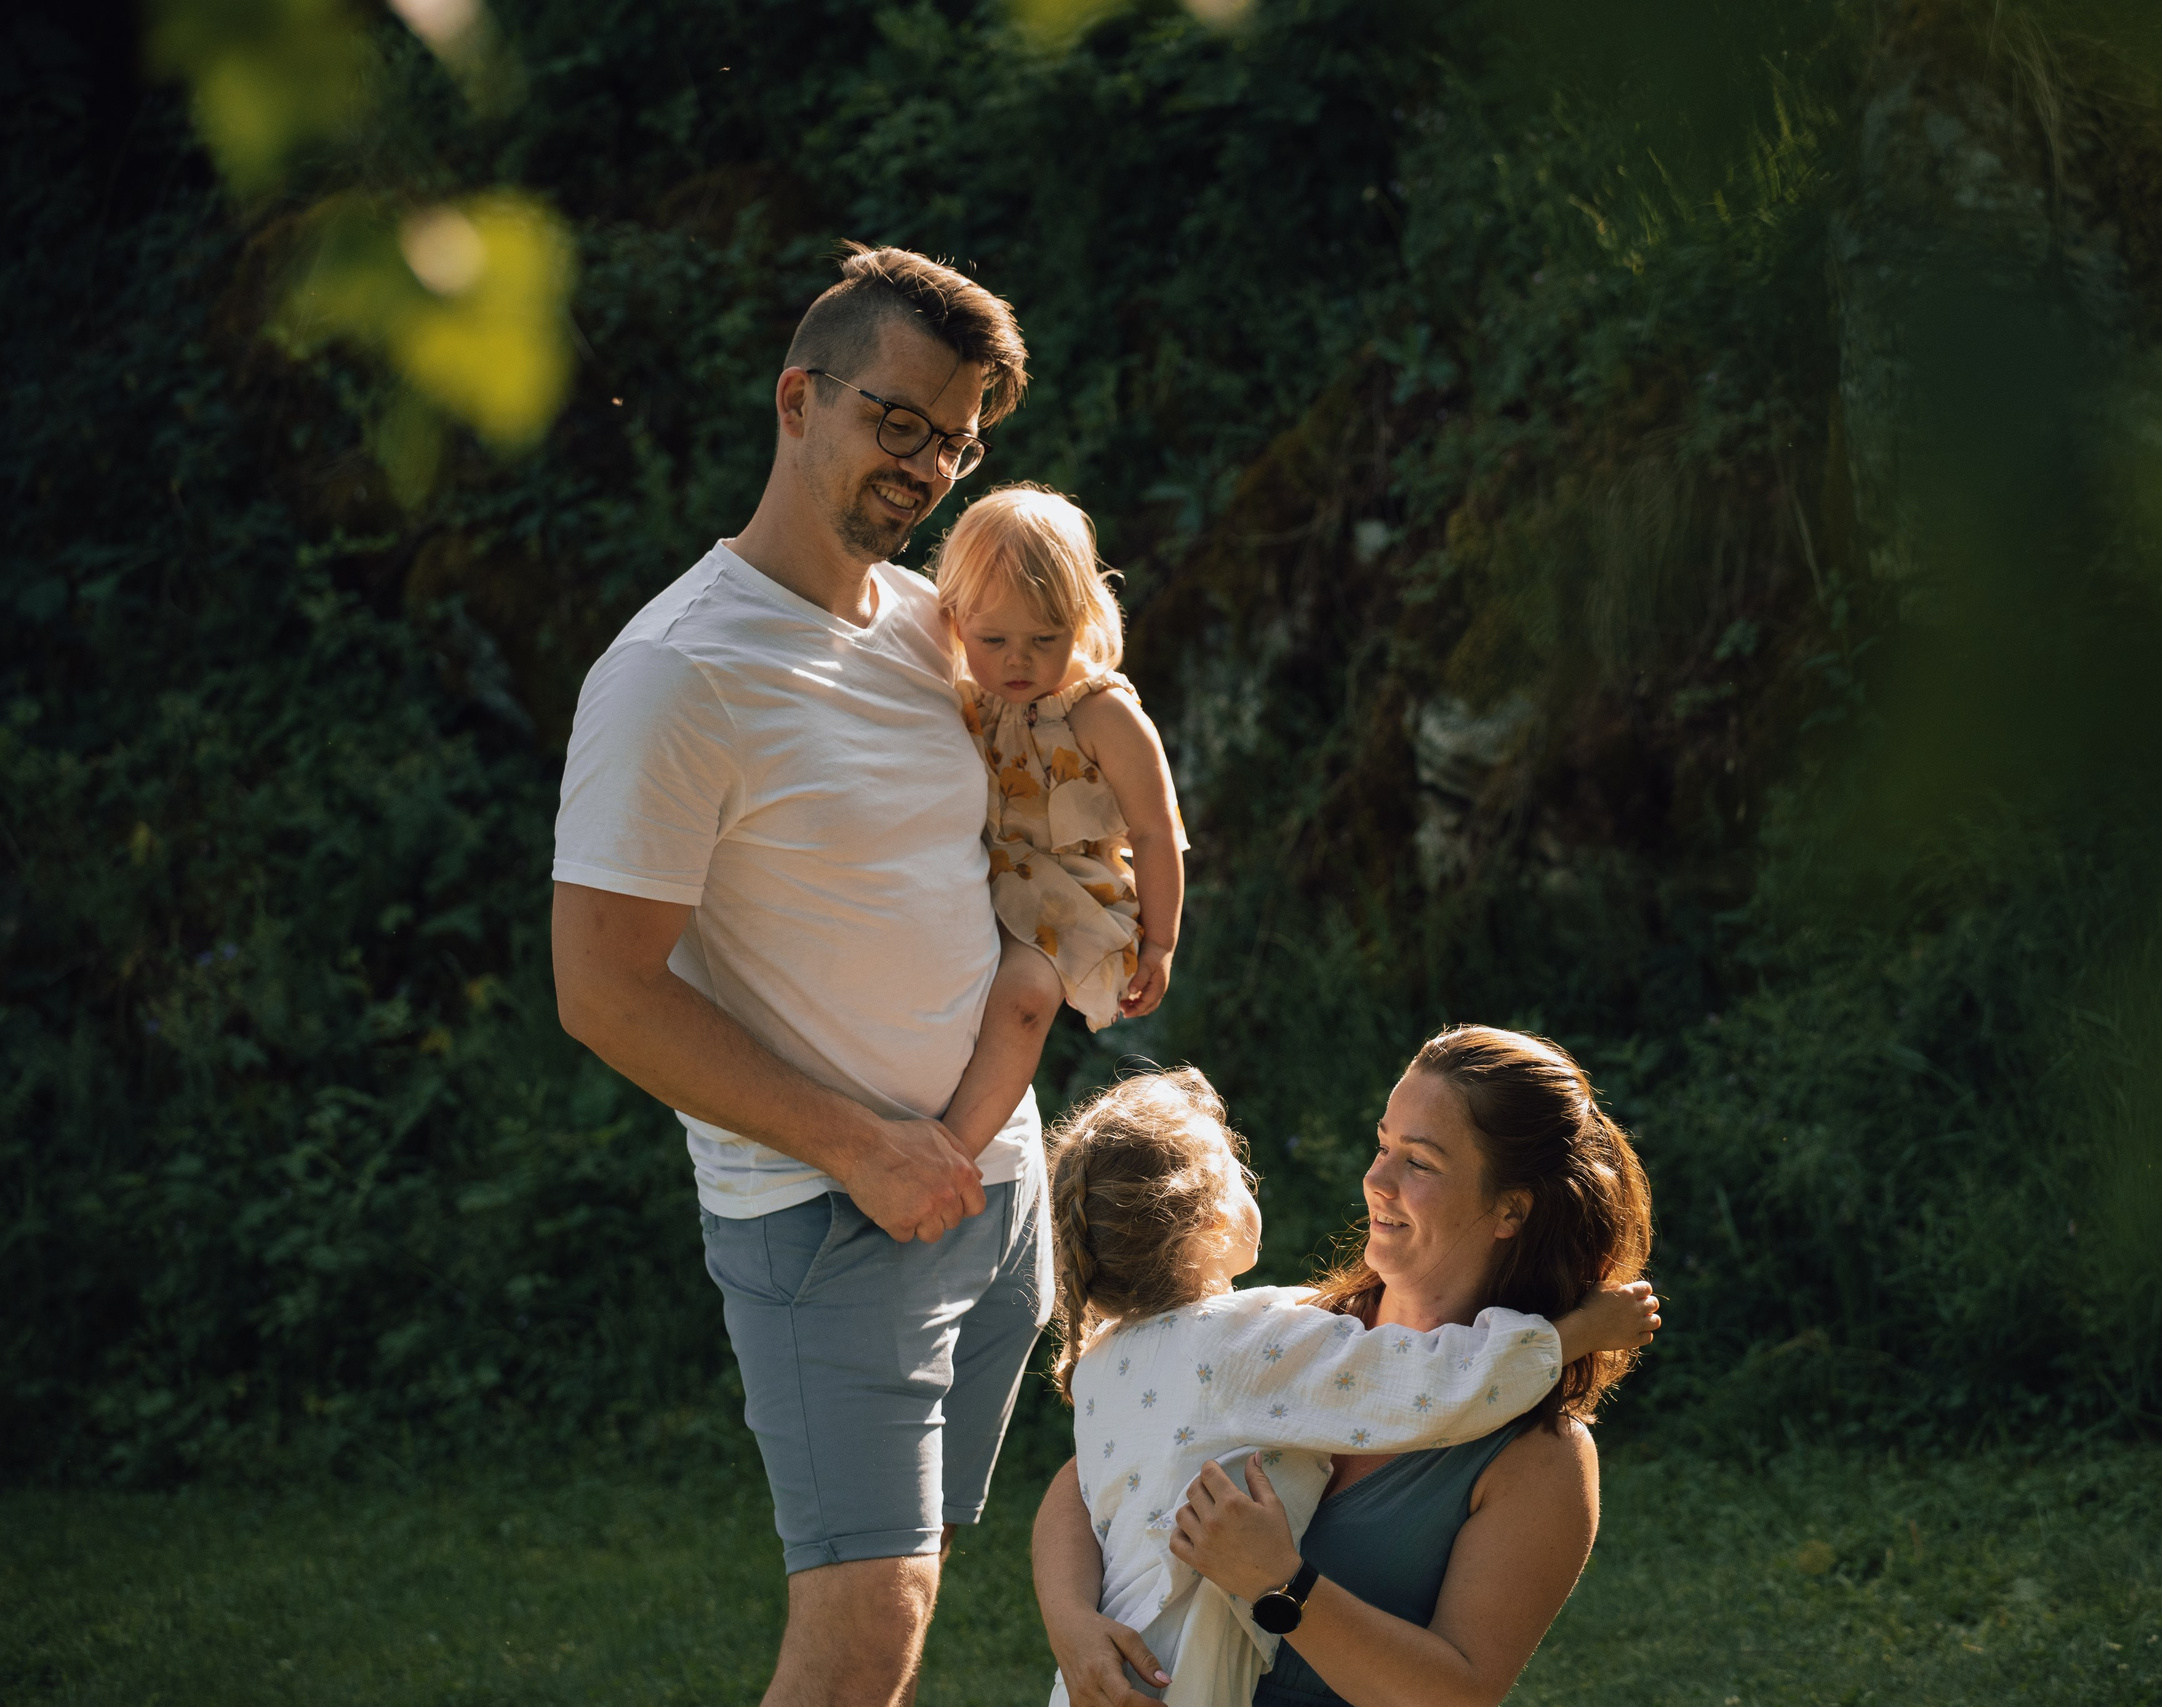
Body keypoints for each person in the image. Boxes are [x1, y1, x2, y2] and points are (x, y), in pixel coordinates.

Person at [550, 243, 1045, 1707]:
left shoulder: (931, 624)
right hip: (832, 1213)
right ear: (796, 399)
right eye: (900, 422)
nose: (929, 466)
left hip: (991, 1189)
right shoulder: (677, 671)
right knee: (859, 1637)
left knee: (910, 1586)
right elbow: (603, 989)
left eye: (957, 440)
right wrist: (863, 1147)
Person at [1033, 1027, 1657, 1707]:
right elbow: (1087, 1478)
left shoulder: (1539, 1454)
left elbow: (1460, 1693)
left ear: (1511, 1208)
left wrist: (1279, 1583)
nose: (1376, 1179)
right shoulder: (1284, 1336)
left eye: (1418, 1162)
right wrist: (1073, 1623)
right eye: (1383, 1145)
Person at [933, 485, 1188, 1154]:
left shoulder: (1103, 712)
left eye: (1044, 639)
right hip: (976, 877)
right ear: (955, 620)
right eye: (993, 639)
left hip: (1067, 894)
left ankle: (953, 1152)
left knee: (1023, 1001)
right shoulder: (964, 693)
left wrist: (1160, 944)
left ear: (1082, 617)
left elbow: (1156, 830)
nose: (1017, 660)